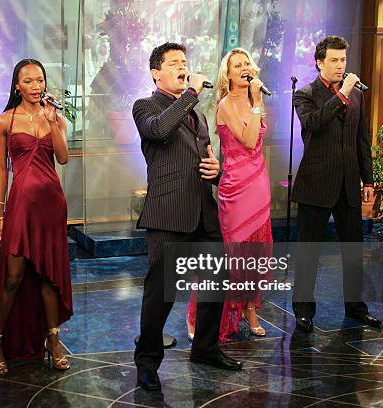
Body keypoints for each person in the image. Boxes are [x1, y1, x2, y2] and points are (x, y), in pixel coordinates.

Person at [132, 42, 242, 392]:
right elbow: (160, 130)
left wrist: (216, 169)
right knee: (161, 294)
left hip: (203, 214)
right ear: (155, 72)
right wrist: (191, 92)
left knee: (214, 285)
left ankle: (205, 348)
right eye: (175, 63)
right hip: (169, 215)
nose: (183, 67)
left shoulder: (197, 114)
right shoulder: (145, 106)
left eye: (185, 62)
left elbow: (207, 156)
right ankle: (147, 362)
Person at [291, 35, 382, 332]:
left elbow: (362, 140)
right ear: (319, 62)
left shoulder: (357, 94)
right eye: (334, 60)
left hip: (348, 184)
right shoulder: (304, 94)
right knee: (309, 252)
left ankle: (356, 307)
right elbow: (314, 124)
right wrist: (341, 93)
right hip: (316, 184)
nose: (341, 65)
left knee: (353, 250)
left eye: (343, 59)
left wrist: (367, 179)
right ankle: (303, 311)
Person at [0, 59, 72, 375]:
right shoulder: (3, 121)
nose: (36, 86)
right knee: (12, 277)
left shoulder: (55, 119)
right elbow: (0, 168)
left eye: (40, 80)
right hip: (21, 207)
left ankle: (53, 341)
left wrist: (53, 123)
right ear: (17, 86)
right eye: (29, 81)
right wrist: (0, 214)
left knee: (49, 277)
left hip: (52, 205)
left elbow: (63, 158)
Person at [186, 48, 272, 342]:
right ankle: (198, 314)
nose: (244, 68)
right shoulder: (225, 104)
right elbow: (248, 141)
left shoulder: (252, 100)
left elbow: (258, 146)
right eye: (238, 65)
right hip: (235, 188)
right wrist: (258, 102)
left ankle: (250, 310)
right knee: (231, 257)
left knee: (257, 253)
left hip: (258, 184)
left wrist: (256, 102)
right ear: (229, 74)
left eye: (247, 63)